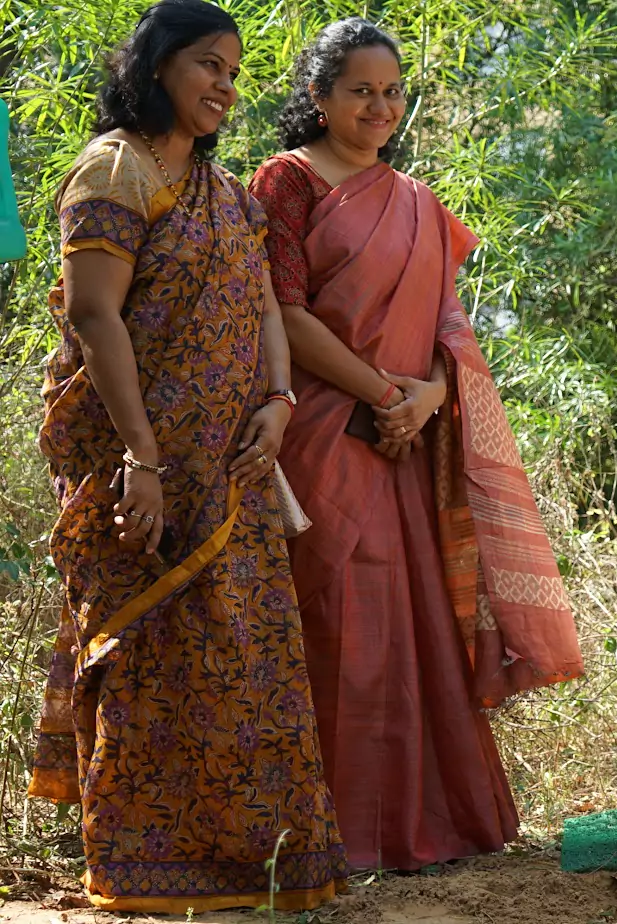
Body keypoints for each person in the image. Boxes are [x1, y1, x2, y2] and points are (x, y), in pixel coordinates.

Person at [27, 0, 347, 911]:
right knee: (146, 655)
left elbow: (258, 305)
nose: (226, 88)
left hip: (237, 466)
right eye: (210, 64)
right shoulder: (116, 170)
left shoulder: (225, 191)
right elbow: (95, 318)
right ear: (160, 64)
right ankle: (145, 873)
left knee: (246, 653)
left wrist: (280, 403)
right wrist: (145, 459)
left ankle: (259, 865)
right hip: (142, 468)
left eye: (236, 73)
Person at [248, 19, 583, 872]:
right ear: (318, 98)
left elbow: (449, 331)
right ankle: (325, 834)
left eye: (392, 90)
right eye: (361, 90)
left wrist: (429, 397)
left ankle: (424, 824)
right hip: (324, 430)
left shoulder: (417, 203)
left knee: (412, 627)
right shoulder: (286, 182)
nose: (381, 106)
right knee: (333, 620)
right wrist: (381, 393)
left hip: (404, 442)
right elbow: (282, 311)